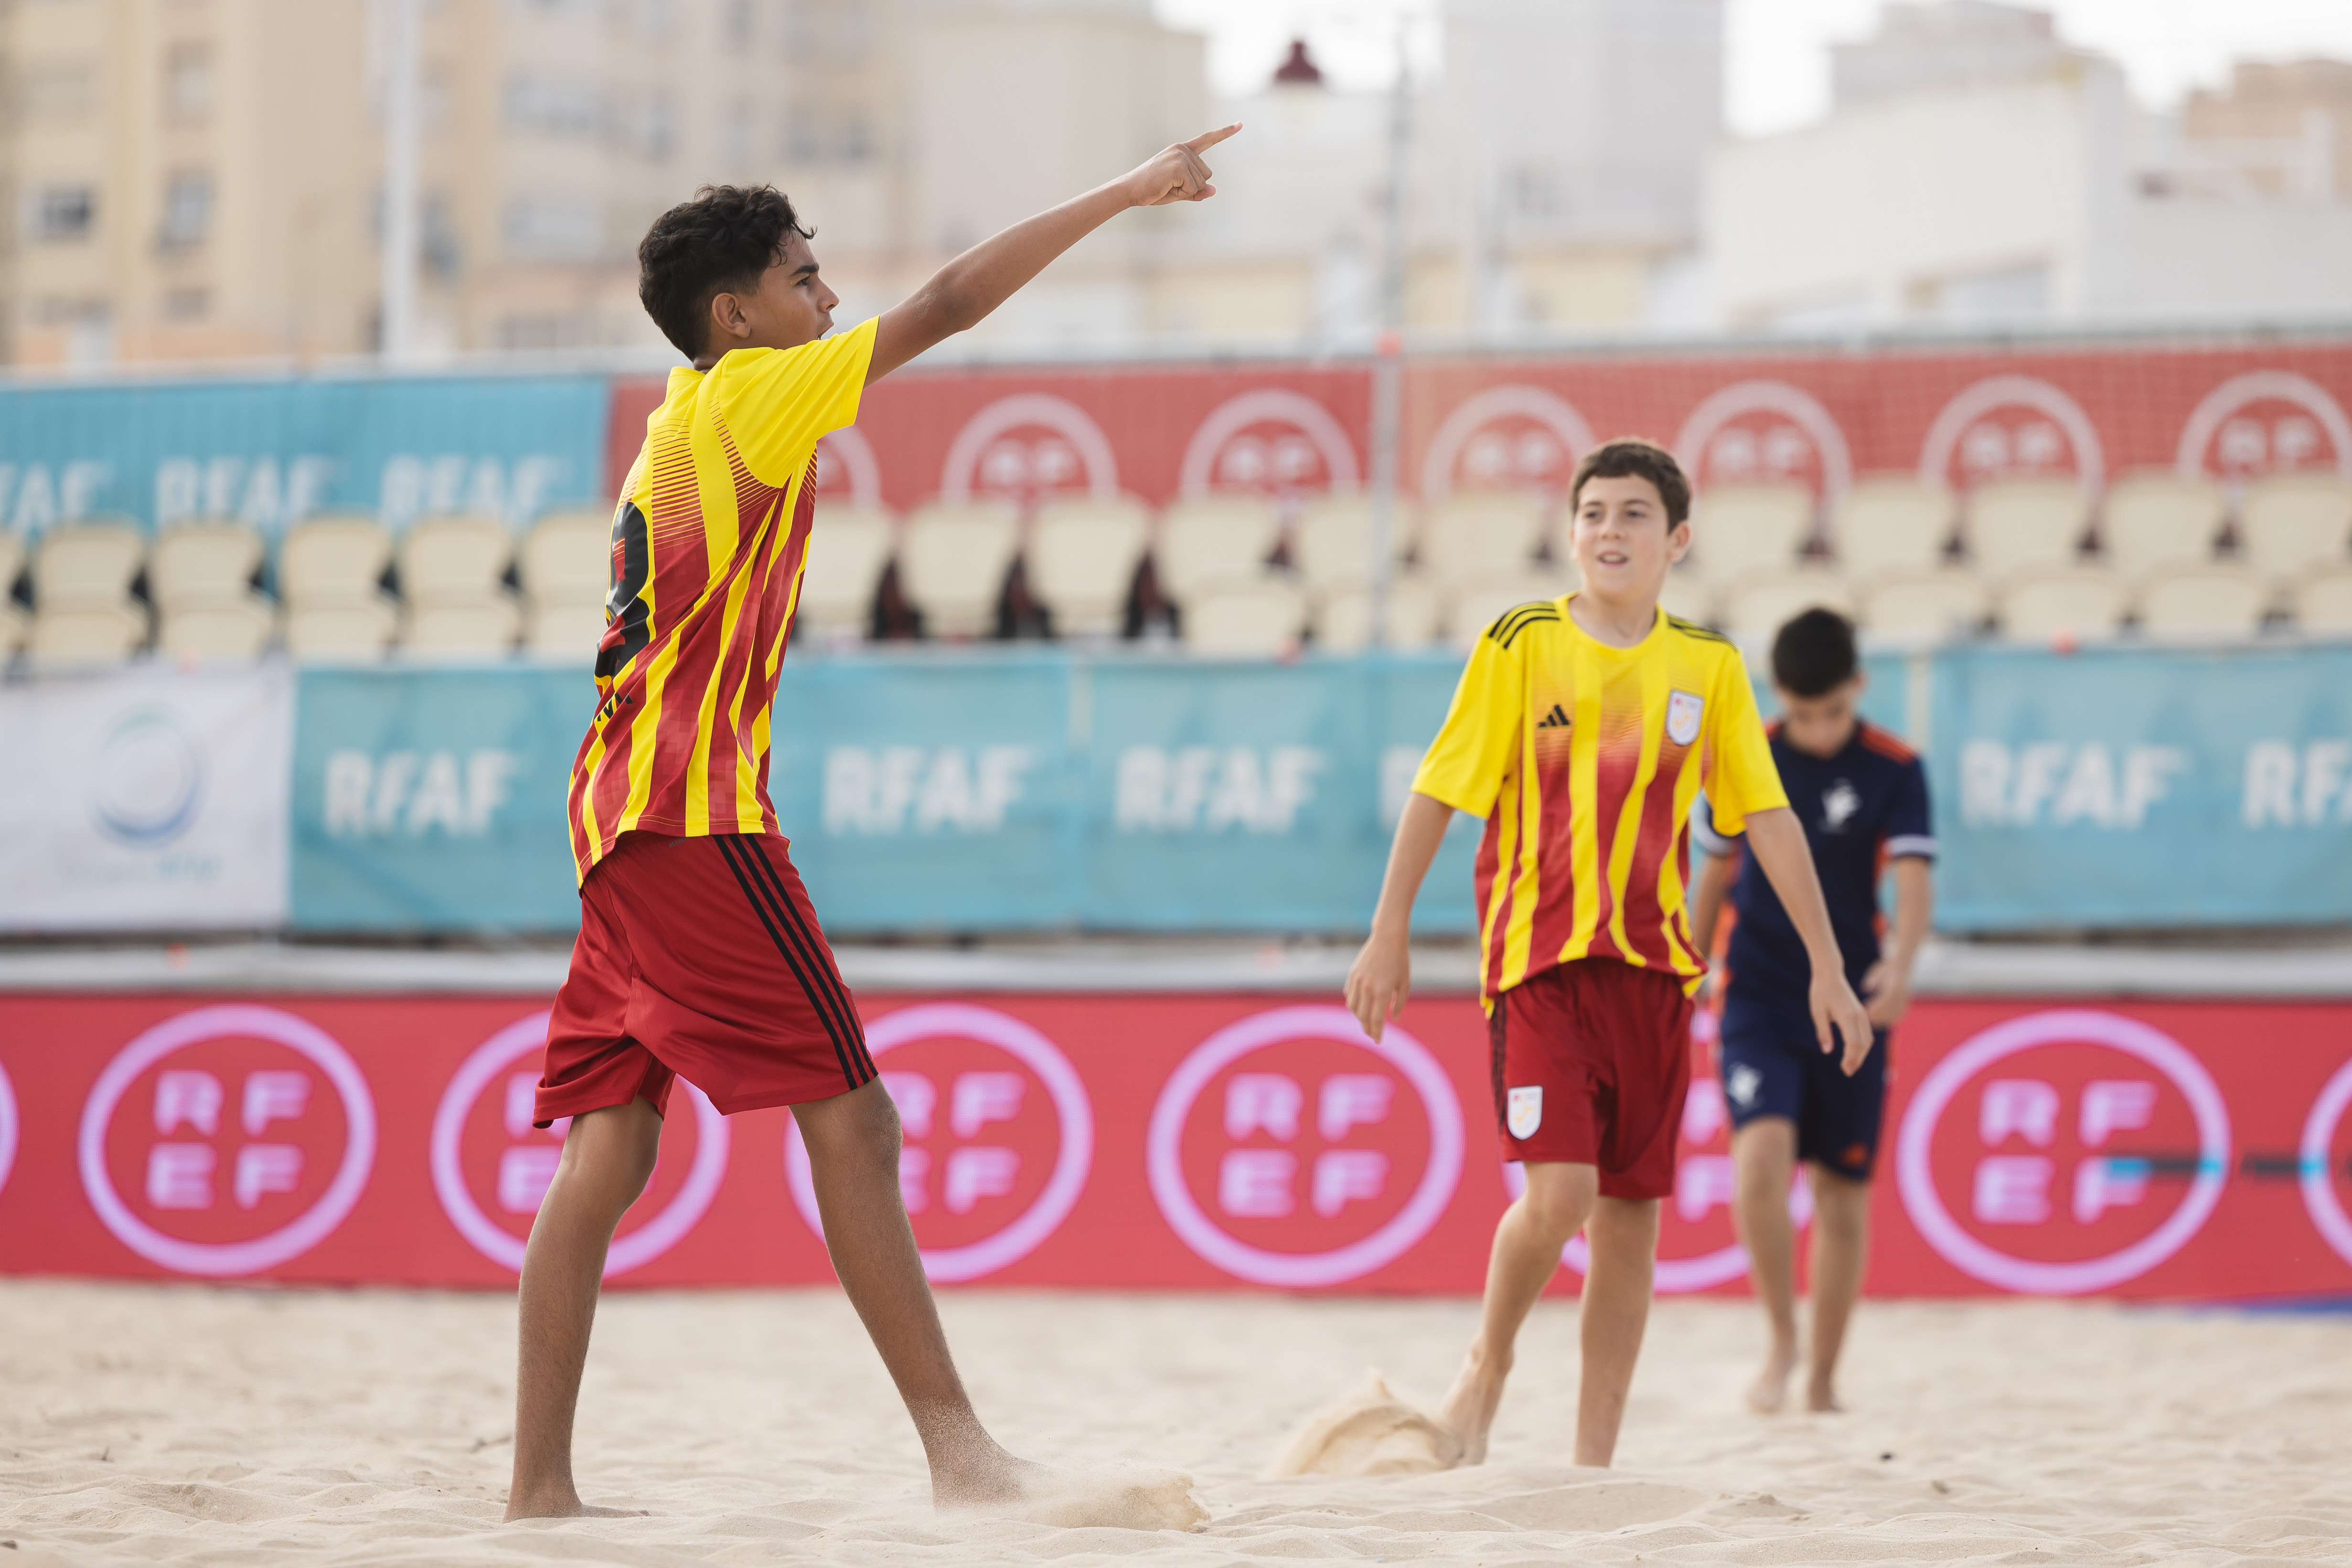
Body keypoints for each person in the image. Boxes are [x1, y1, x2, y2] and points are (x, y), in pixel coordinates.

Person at [506, 125, 1240, 1523]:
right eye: (804, 277)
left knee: (606, 1150)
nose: (829, 296)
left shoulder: (680, 415)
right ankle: (964, 1458)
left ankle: (538, 1491)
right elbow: (951, 302)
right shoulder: (749, 393)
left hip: (614, 816)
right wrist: (1132, 186)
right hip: (690, 817)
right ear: (736, 316)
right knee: (855, 1119)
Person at [1343, 438, 1875, 1470]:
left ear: (1678, 539)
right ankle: (1486, 1366)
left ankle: (1593, 1466)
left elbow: (1766, 818)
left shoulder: (1708, 665)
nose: (1609, 531)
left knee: (1631, 1220)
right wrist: (1388, 926)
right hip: (1537, 964)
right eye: (1592, 513)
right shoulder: (1521, 641)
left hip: (1655, 972)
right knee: (1561, 1197)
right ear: (1570, 531)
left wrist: (1827, 965)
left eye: (1633, 514)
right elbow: (1441, 787)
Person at [1687, 607, 1934, 1416]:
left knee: (1842, 1189)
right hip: (1757, 991)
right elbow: (1714, 871)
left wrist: (1901, 966)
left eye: (1833, 712)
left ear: (1859, 686)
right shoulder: (1744, 755)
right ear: (1778, 696)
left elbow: (1913, 880)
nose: (1820, 732)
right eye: (1803, 714)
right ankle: (1779, 1339)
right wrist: (1686, 967)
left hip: (1853, 997)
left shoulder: (1897, 767)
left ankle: (1824, 1375)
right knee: (1759, 1160)